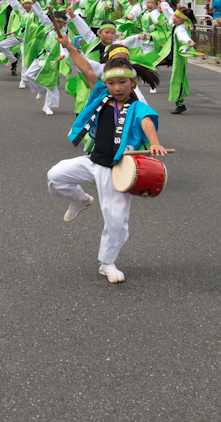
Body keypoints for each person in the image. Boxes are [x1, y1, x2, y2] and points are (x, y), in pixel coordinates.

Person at [47, 33, 166, 284]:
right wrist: (69, 47)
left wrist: (154, 142)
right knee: (56, 176)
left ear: (132, 83)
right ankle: (80, 200)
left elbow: (146, 121)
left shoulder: (136, 106)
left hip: (118, 170)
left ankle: (107, 262)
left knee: (116, 222)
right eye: (112, 84)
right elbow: (86, 68)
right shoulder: (102, 94)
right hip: (93, 161)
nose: (117, 88)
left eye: (122, 83)